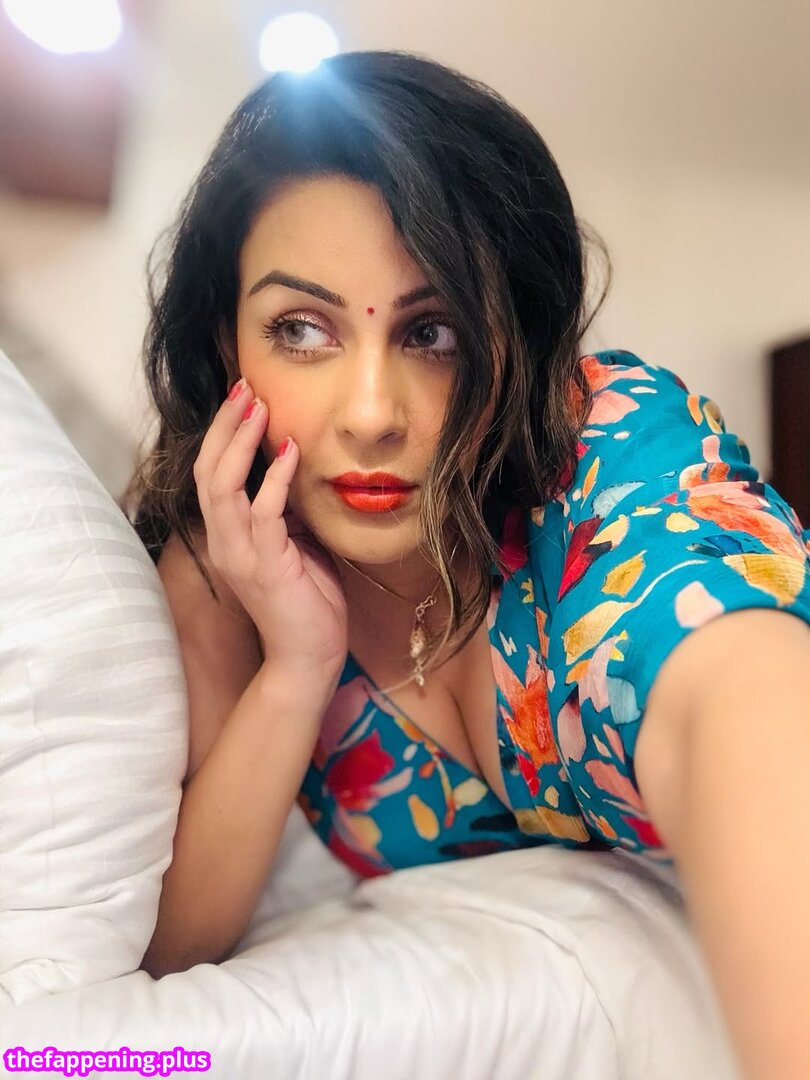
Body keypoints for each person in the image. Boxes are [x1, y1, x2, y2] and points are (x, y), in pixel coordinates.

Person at [125, 50, 810, 1077]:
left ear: (509, 340)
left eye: (433, 331)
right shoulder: (230, 571)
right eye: (300, 329)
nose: (372, 415)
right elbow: (172, 947)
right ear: (229, 346)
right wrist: (297, 666)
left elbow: (747, 705)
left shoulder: (614, 460)